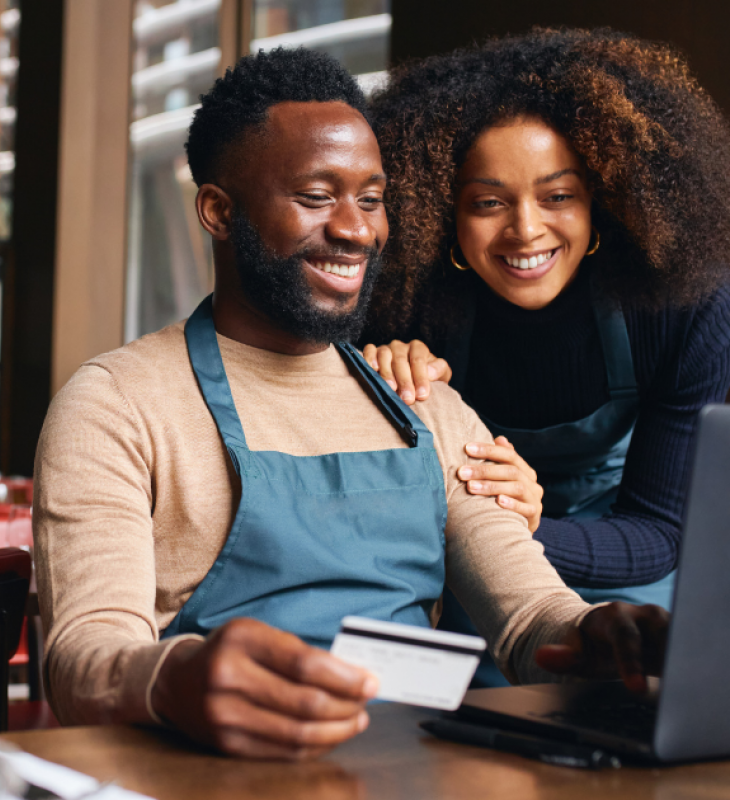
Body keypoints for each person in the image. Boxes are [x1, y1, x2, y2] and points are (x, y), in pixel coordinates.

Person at [33, 47, 667, 761]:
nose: (357, 229)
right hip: (203, 775)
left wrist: (600, 636)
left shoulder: (422, 403)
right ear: (218, 211)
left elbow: (530, 619)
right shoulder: (118, 403)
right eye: (315, 196)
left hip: (408, 773)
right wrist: (176, 676)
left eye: (370, 199)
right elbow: (82, 659)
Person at [361, 29, 730, 647]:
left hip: (626, 574)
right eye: (487, 203)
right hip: (470, 579)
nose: (526, 230)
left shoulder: (684, 304)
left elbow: (660, 534)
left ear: (601, 201)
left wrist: (527, 526)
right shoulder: (406, 306)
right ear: (442, 210)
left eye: (557, 195)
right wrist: (382, 379)